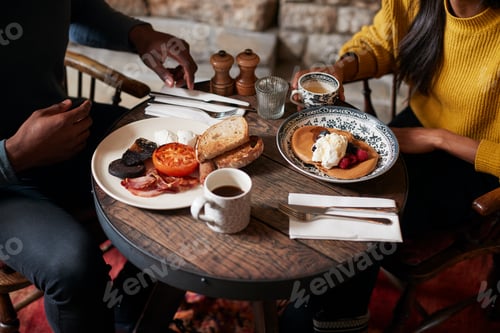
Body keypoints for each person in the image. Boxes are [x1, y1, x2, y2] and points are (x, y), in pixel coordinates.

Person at [285, 0, 499, 332]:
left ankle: (330, 320)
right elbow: (382, 43)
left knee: (359, 225)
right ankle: (312, 307)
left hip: (476, 167)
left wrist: (438, 139)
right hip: (418, 132)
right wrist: (341, 69)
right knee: (327, 193)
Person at [0, 1, 197, 333]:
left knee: (188, 174)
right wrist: (14, 155)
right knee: (75, 269)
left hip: (61, 130)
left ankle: (127, 315)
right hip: (6, 184)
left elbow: (78, 9)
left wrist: (138, 35)